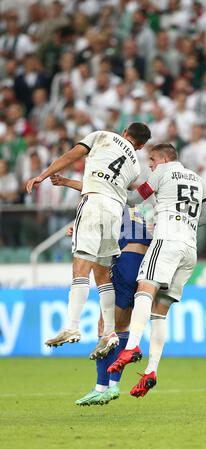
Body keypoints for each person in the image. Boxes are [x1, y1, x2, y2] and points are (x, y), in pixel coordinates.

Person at [47, 173, 174, 406]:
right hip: (147, 266)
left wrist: (66, 185)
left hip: (126, 262)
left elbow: (92, 190)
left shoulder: (116, 199)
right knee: (123, 326)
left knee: (106, 326)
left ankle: (101, 386)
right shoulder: (149, 202)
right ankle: (113, 386)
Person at [26, 123, 151, 358]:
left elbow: (73, 154)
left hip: (93, 203)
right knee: (102, 274)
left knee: (81, 268)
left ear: (125, 132)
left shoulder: (102, 136)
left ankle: (71, 325)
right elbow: (124, 192)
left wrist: (43, 175)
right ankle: (110, 332)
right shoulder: (135, 165)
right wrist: (66, 182)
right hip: (115, 211)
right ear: (141, 146)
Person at [108, 143, 206, 398]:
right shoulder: (198, 179)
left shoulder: (163, 172)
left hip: (167, 241)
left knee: (144, 288)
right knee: (160, 312)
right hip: (190, 250)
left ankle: (132, 347)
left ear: (165, 158)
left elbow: (134, 199)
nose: (150, 164)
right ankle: (151, 371)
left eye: (152, 159)